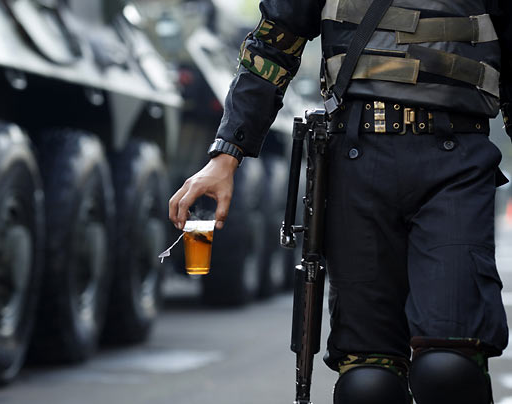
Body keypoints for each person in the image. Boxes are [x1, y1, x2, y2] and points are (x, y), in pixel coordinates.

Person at [169, 0, 511, 403]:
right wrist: (225, 156)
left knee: (450, 369)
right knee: (368, 385)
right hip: (356, 163)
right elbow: (273, 45)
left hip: (456, 165)